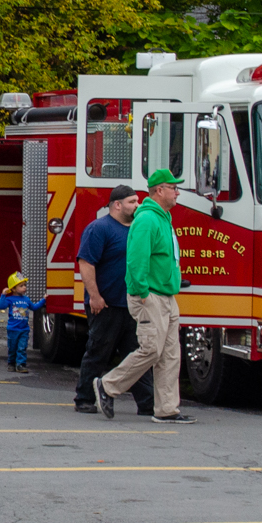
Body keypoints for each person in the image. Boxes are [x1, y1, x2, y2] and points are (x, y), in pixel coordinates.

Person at [95, 168, 194, 423]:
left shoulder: (163, 218)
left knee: (170, 354)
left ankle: (167, 409)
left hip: (166, 296)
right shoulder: (148, 219)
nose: (177, 192)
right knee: (151, 350)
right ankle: (107, 386)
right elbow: (137, 259)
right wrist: (141, 293)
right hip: (150, 297)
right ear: (159, 190)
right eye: (173, 188)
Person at [73, 185, 154, 416]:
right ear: (116, 205)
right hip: (106, 305)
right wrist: (95, 297)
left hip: (132, 305)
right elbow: (86, 263)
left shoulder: (138, 228)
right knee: (98, 351)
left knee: (137, 354)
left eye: (138, 201)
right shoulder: (99, 229)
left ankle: (147, 403)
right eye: (132, 201)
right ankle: (85, 399)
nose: (137, 205)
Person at [0, 272, 36, 372]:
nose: (24, 288)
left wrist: (44, 300)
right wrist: (3, 295)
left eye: (25, 285)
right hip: (13, 329)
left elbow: (34, 307)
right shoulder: (10, 299)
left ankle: (21, 365)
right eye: (21, 286)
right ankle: (11, 363)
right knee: (12, 347)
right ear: (13, 289)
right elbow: (2, 306)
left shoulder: (26, 300)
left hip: (24, 329)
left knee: (22, 347)